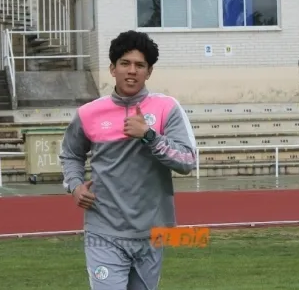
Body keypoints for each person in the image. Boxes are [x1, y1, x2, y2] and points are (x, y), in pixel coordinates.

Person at [59, 30, 197, 290]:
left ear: (149, 72)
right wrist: (75, 185)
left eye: (139, 65)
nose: (132, 71)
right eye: (125, 63)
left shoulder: (167, 108)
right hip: (103, 230)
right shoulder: (89, 113)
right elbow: (70, 154)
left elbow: (187, 160)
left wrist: (149, 136)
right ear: (113, 69)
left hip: (151, 232)